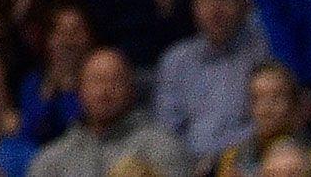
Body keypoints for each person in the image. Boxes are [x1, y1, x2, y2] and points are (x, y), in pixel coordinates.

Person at [155, 0, 271, 162]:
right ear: (194, 8)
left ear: (245, 3)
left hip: (247, 161)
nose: (215, 9)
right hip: (188, 166)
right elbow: (166, 129)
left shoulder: (264, 53)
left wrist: (222, 159)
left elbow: (270, 121)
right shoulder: (176, 60)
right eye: (206, 0)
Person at [23, 49, 192, 177]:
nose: (104, 90)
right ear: (79, 90)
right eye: (96, 81)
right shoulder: (51, 160)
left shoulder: (162, 147)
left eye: (115, 81)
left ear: (131, 90)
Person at [212, 66, 311, 177]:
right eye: (257, 98)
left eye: (276, 98)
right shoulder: (232, 159)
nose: (266, 108)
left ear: (293, 103)